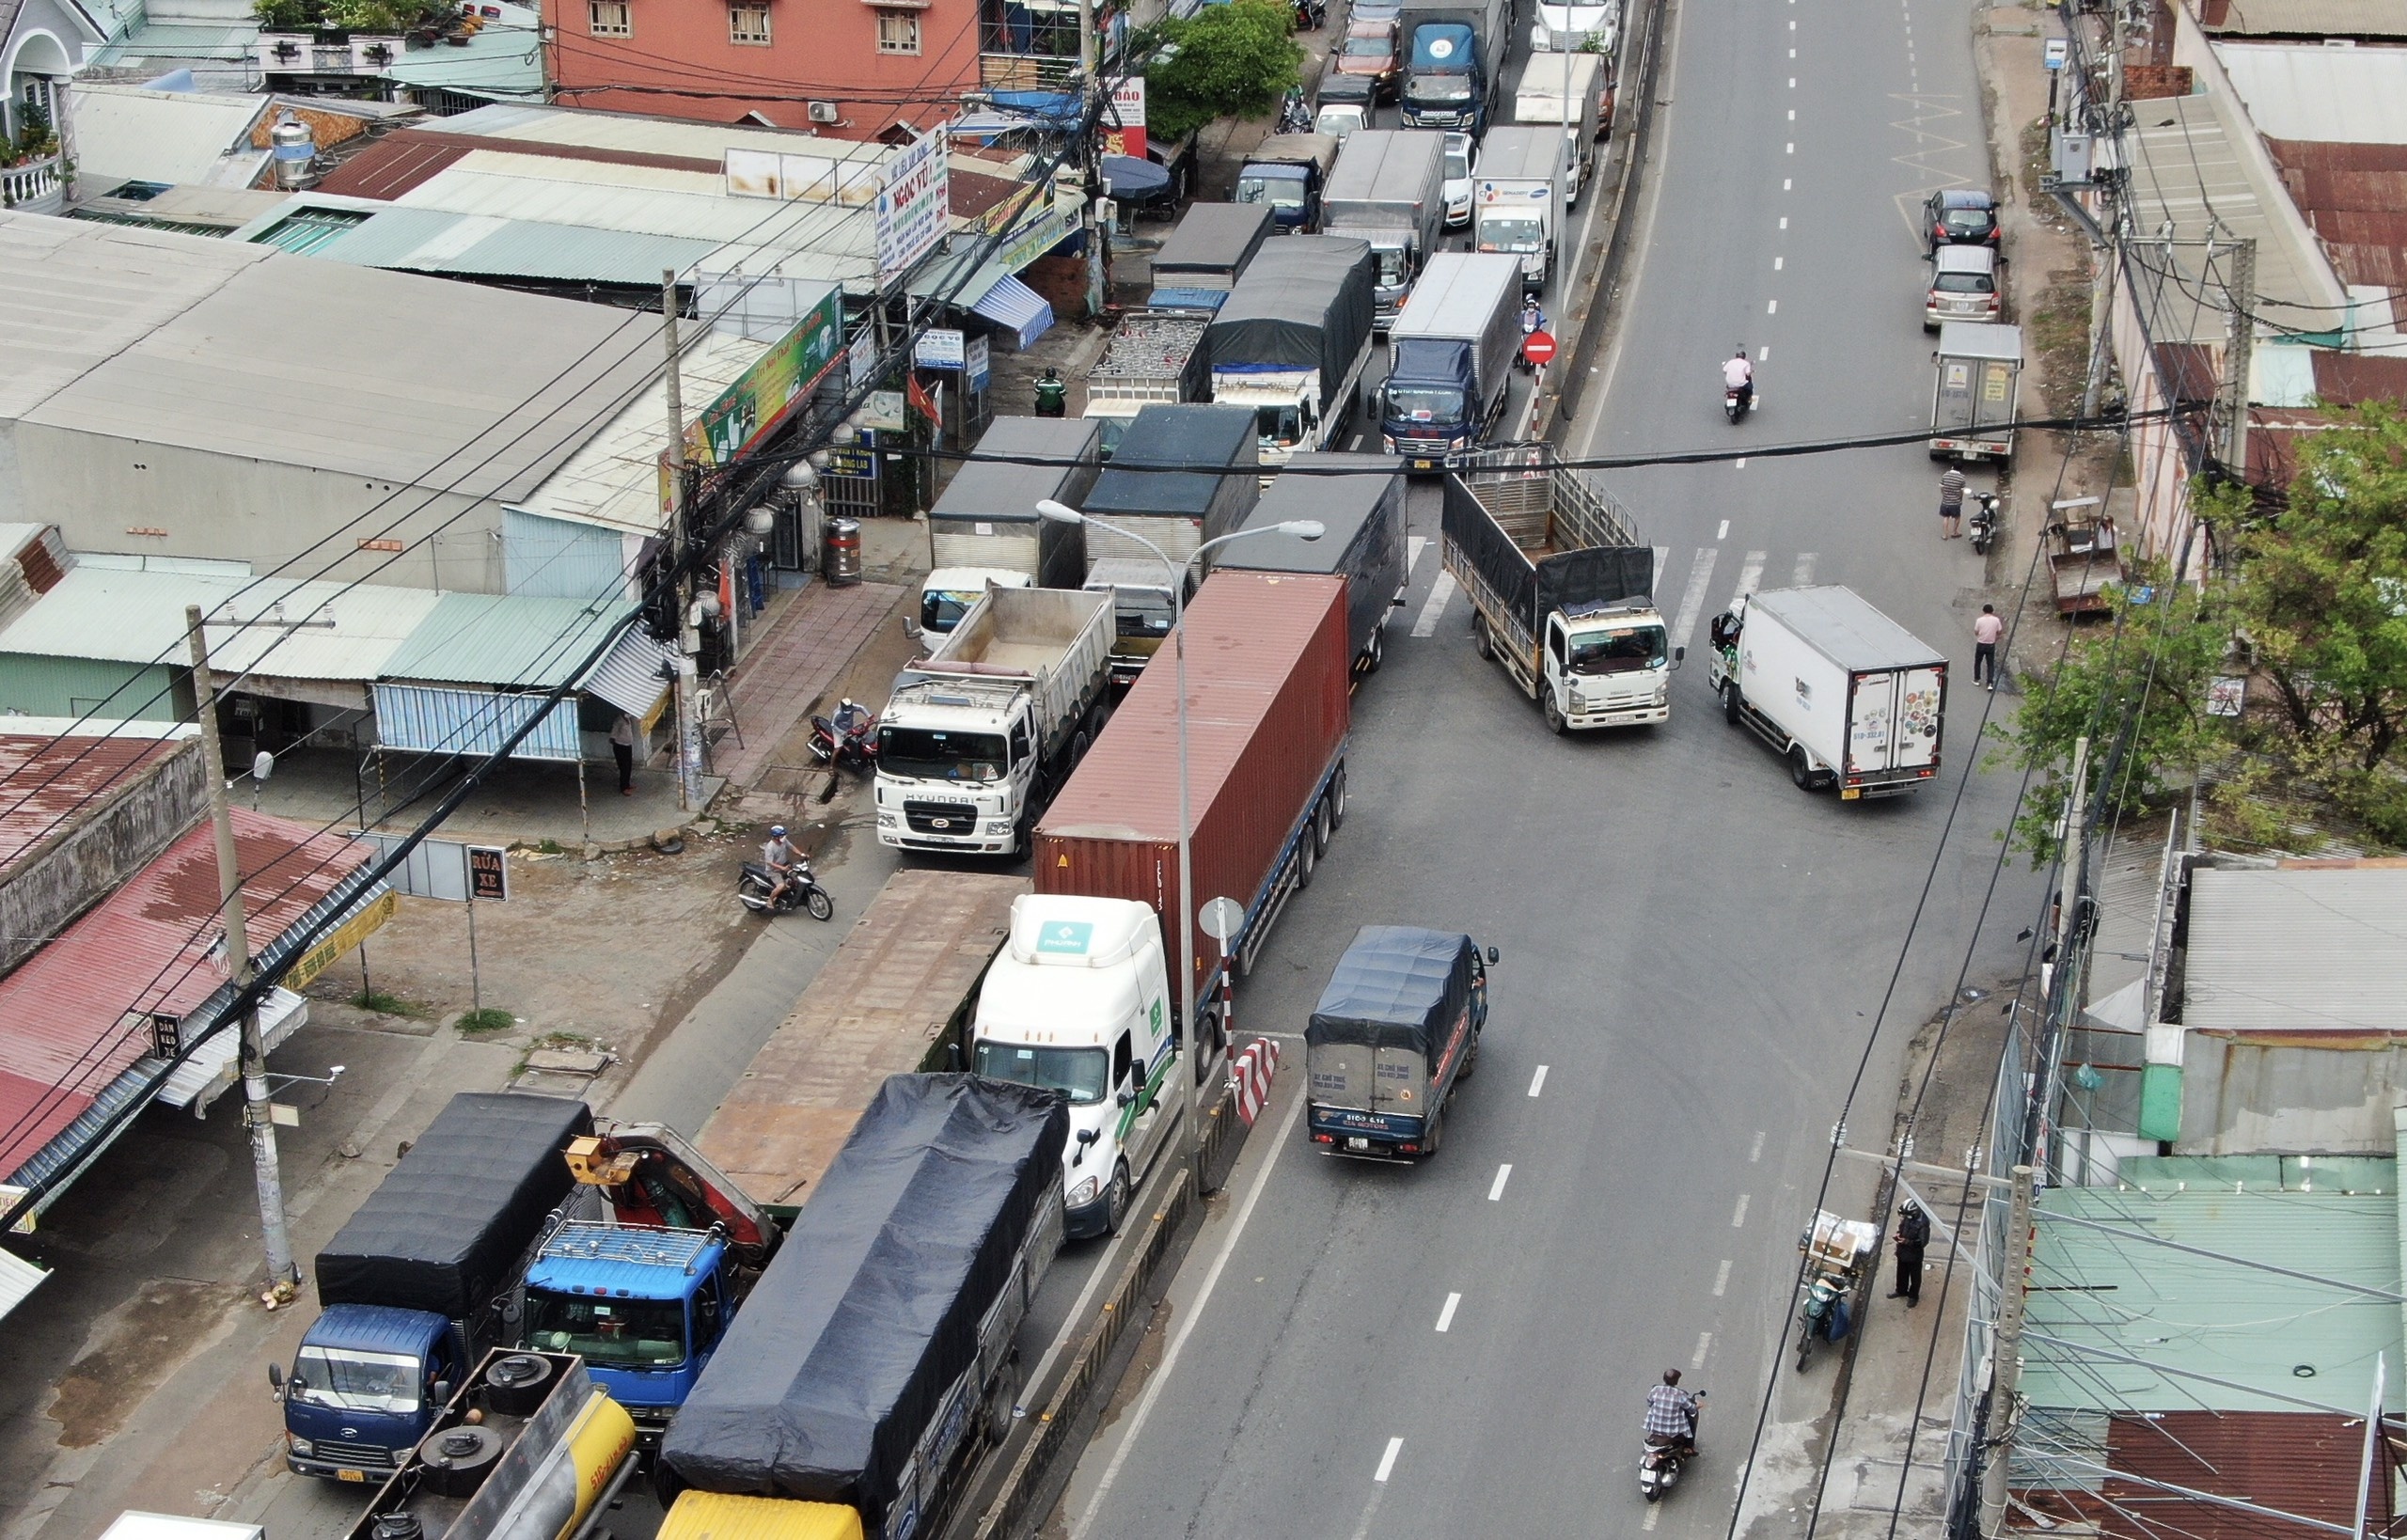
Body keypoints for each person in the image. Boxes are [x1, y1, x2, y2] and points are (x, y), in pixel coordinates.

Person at [1644, 1369, 1700, 1456]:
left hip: (1654, 1427)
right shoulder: (1679, 1394)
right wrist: (1698, 1405)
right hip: (1673, 1431)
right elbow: (1691, 1409)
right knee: (1692, 1419)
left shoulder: (1655, 1390)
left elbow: (1649, 1402)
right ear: (1676, 1381)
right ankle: (1689, 1447)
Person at [1889, 1201, 1930, 1306]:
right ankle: (1901, 1290)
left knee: (1915, 1277)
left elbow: (1923, 1242)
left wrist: (1907, 1241)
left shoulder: (1923, 1224)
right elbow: (1902, 1225)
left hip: (1914, 1255)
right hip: (1902, 1252)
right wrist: (1899, 1233)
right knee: (1901, 1272)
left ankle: (1913, 1296)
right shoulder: (1908, 1217)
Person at [761, 824, 800, 909]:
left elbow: (792, 847)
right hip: (773, 871)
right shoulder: (770, 847)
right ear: (776, 837)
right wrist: (782, 868)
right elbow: (769, 862)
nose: (783, 837)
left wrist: (801, 854)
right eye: (781, 836)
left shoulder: (783, 841)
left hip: (784, 865)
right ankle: (770, 900)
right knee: (781, 886)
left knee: (796, 877)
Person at [1973, 604, 2004, 690]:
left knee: (1978, 662)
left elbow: (1976, 631)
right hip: (1991, 645)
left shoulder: (1979, 620)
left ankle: (1977, 679)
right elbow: (1999, 631)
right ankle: (1990, 683)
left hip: (1981, 643)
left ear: (1983, 611)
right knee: (1990, 664)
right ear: (1992, 611)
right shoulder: (1996, 620)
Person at [609, 711, 637, 795]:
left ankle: (627, 784)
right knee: (624, 767)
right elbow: (613, 734)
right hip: (620, 746)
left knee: (629, 766)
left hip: (628, 745)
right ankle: (623, 787)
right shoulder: (619, 721)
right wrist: (616, 743)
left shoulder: (628, 719)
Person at [1939, 464, 1968, 540]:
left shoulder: (1945, 475)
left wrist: (1944, 494)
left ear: (1952, 467)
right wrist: (1960, 498)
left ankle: (1945, 534)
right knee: (1957, 517)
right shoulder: (1962, 478)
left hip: (1945, 501)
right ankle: (1954, 532)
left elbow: (1941, 487)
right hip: (1955, 502)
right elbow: (1962, 491)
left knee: (1946, 517)